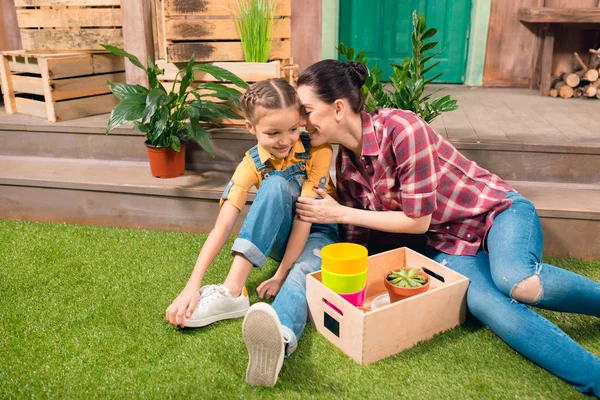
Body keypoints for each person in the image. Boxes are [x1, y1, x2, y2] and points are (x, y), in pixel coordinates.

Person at [294, 59, 600, 396]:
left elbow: (416, 220)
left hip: (497, 213)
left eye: (306, 111)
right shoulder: (345, 165)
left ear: (338, 108)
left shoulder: (401, 129)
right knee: (486, 305)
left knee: (516, 282)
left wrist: (338, 214)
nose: (301, 122)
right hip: (447, 242)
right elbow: (363, 240)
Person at [165, 78, 339, 387]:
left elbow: (306, 215)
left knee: (302, 272)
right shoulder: (250, 164)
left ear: (299, 119)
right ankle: (233, 291)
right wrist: (193, 285)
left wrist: (282, 272)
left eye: (292, 129)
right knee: (273, 185)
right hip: (282, 234)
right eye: (272, 133)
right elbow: (223, 224)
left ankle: (281, 341)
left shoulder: (319, 151)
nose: (285, 140)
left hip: (319, 230)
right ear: (250, 129)